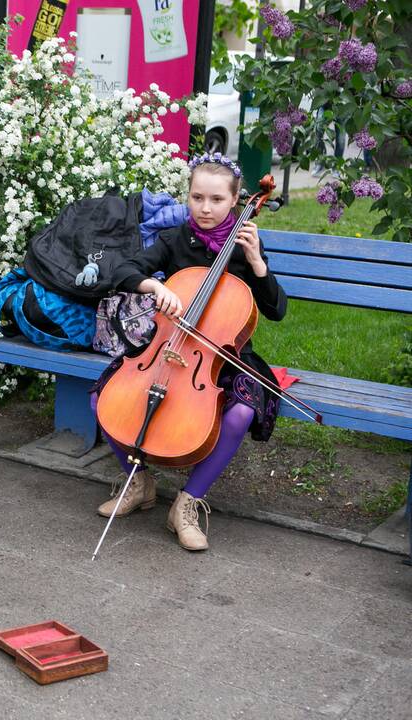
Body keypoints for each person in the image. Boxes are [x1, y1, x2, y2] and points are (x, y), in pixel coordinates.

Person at [91, 153, 287, 551]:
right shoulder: (175, 238)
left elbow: (276, 310)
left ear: (235, 200)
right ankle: (139, 482)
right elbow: (122, 271)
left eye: (216, 199)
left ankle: (187, 501)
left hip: (219, 359)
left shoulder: (246, 245)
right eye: (197, 197)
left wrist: (256, 263)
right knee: (102, 398)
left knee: (241, 412)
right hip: (166, 348)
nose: (206, 207)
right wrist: (155, 287)